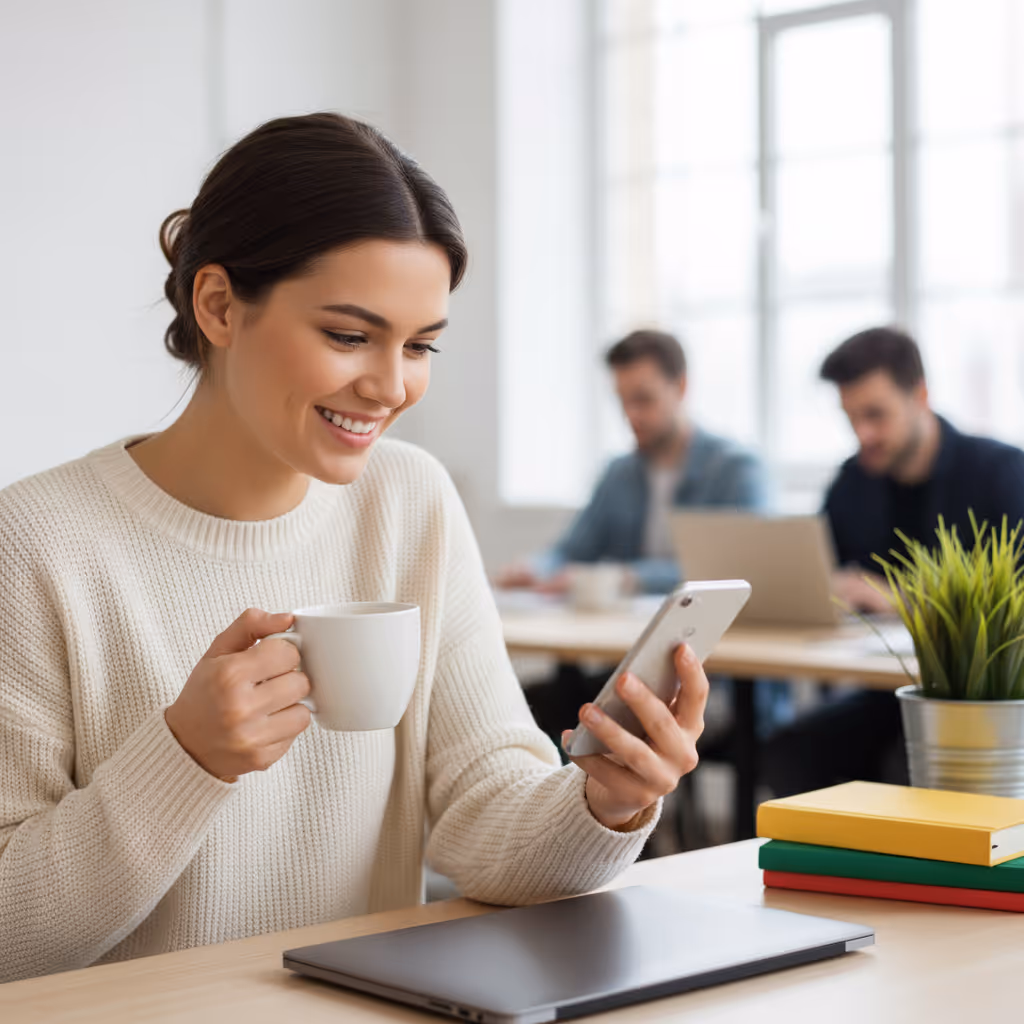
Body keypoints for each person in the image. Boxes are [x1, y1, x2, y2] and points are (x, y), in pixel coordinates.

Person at [0, 114, 710, 983]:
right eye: (348, 335)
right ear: (218, 305)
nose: (391, 386)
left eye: (420, 346)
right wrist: (183, 759)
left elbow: (483, 805)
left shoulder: (409, 501)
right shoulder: (33, 544)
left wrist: (603, 804)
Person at [763, 325, 1024, 796]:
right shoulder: (852, 481)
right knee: (789, 751)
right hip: (887, 689)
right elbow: (822, 572)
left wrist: (897, 598)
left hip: (980, 703)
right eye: (851, 418)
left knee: (900, 764)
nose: (863, 434)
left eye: (876, 415)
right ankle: (810, 873)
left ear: (920, 395)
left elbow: (1013, 608)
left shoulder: (1001, 474)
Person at [498, 329, 768, 596]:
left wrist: (628, 578)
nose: (631, 415)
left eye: (643, 399)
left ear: (681, 387)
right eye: (623, 401)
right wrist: (534, 568)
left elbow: (735, 570)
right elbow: (571, 551)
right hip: (626, 628)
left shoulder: (737, 471)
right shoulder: (619, 473)